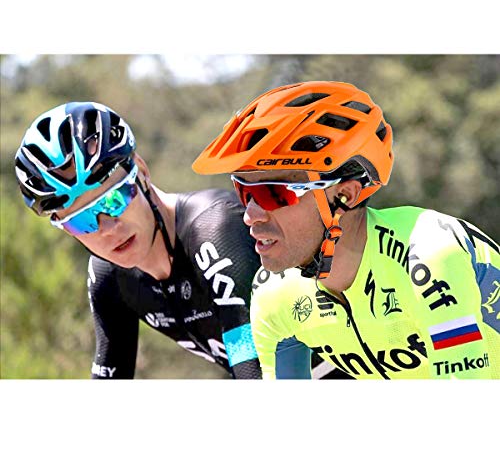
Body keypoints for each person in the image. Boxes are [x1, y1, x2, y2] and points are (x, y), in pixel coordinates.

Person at [192, 81, 500, 379]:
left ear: (345, 195)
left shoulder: (428, 253)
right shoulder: (273, 295)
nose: (250, 215)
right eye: (244, 192)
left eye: (272, 193)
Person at [14, 101, 339, 380]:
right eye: (80, 221)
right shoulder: (109, 276)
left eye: (114, 200)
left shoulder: (215, 232)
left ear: (141, 172)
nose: (107, 228)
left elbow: (257, 371)